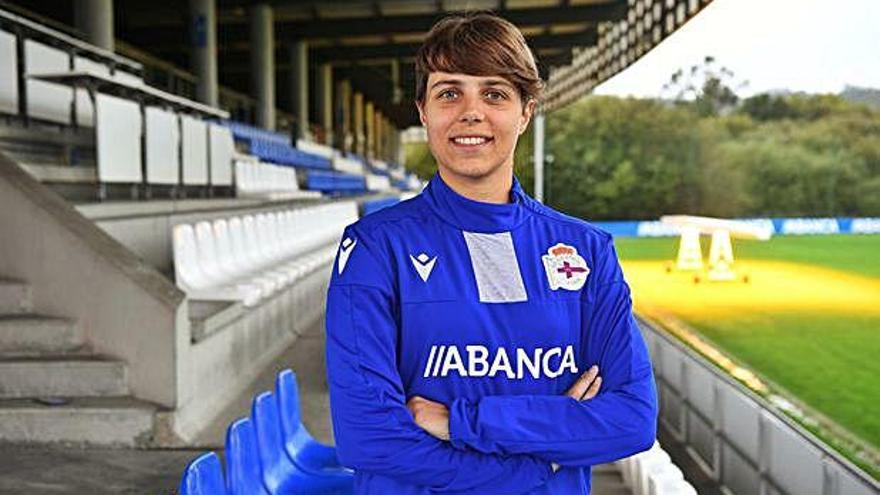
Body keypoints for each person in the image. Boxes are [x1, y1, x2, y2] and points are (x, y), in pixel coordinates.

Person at [325, 12, 657, 495]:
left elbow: (631, 420)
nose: (471, 111)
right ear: (423, 110)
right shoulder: (375, 248)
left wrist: (462, 421)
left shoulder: (587, 250)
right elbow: (370, 438)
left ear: (525, 112)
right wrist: (538, 464)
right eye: (449, 93)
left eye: (495, 94)